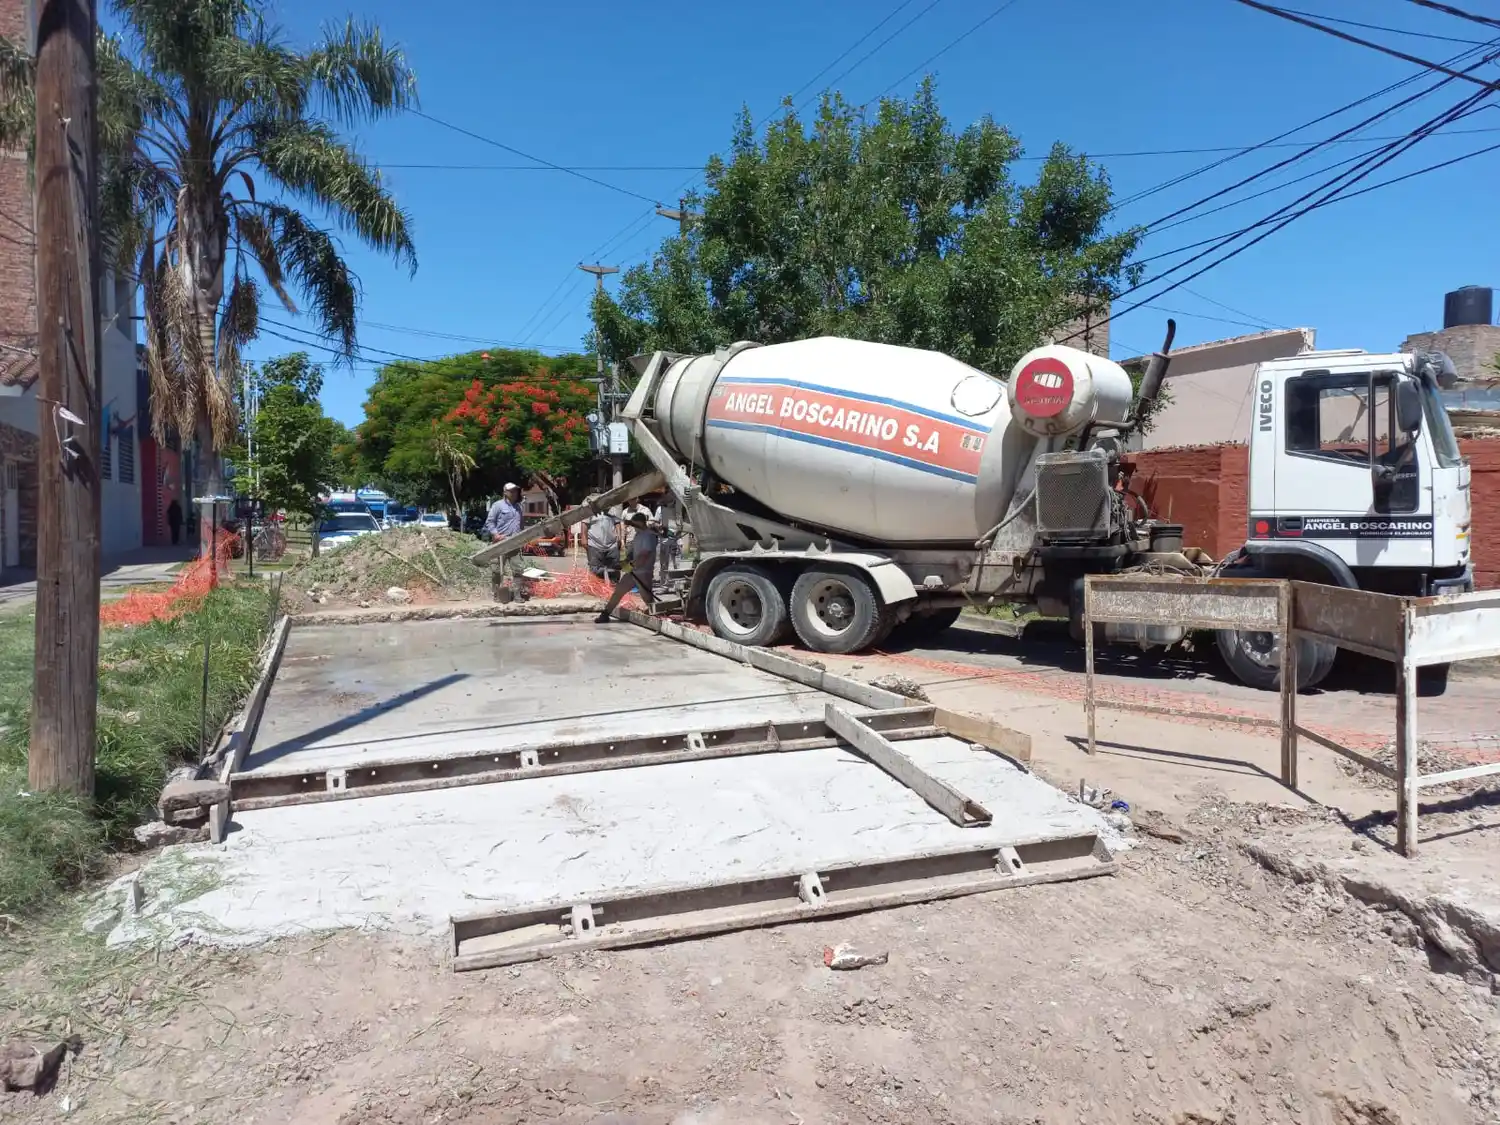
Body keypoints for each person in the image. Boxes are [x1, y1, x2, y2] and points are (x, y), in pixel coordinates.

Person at [596, 512, 657, 623]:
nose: (634, 527)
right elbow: (633, 552)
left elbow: (644, 555)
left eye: (635, 524)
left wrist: (631, 565)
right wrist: (624, 562)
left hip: (643, 572)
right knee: (618, 591)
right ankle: (605, 614)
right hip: (633, 572)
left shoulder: (649, 536)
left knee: (647, 598)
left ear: (641, 523)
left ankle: (657, 616)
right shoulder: (638, 535)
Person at [585, 501, 622, 580]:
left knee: (613, 570)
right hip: (594, 544)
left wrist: (619, 537)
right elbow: (584, 523)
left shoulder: (612, 508)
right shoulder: (590, 509)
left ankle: (613, 586)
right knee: (596, 572)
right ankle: (597, 587)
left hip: (612, 545)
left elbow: (617, 522)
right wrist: (584, 539)